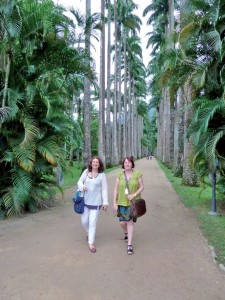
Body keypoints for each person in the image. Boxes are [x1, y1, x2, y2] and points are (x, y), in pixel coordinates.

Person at [77, 156, 108, 253]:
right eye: (93, 162)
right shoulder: (86, 172)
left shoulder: (102, 175)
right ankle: (89, 232)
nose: (95, 163)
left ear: (99, 164)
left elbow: (104, 189)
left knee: (92, 222)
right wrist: (82, 187)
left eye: (97, 162)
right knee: (84, 221)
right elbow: (79, 182)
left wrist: (105, 202)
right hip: (85, 202)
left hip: (96, 203)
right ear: (91, 163)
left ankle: (91, 243)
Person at [113, 156, 144, 255]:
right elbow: (116, 189)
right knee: (122, 223)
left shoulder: (137, 174)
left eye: (129, 162)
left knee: (129, 222)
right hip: (121, 202)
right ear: (123, 164)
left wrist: (134, 195)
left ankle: (129, 244)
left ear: (132, 164)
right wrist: (114, 202)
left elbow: (142, 187)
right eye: (125, 162)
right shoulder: (119, 175)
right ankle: (126, 232)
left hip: (133, 203)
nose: (127, 164)